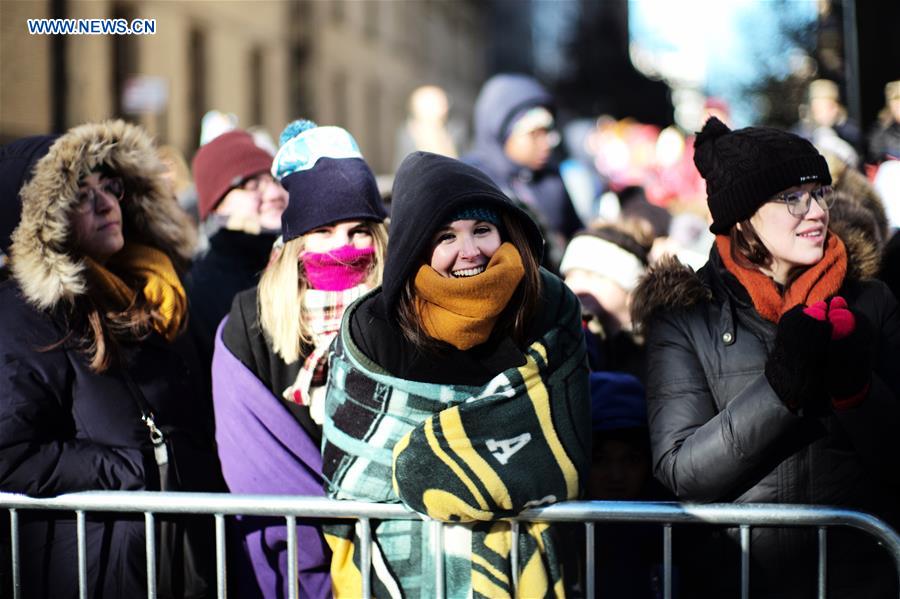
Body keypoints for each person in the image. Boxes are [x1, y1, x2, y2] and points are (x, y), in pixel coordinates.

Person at [632, 117, 900, 598]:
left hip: (861, 581)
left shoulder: (872, 301)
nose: (816, 211)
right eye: (792, 198)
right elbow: (681, 473)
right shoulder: (686, 314)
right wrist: (779, 391)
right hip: (738, 582)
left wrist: (857, 392)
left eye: (819, 193)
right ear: (741, 216)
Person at [321, 151, 591, 597]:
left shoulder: (548, 307)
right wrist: (480, 463)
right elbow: (352, 476)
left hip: (528, 562)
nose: (470, 252)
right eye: (446, 237)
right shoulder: (373, 328)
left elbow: (563, 451)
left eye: (482, 230)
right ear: (415, 245)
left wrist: (430, 466)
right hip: (401, 565)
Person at [0, 120, 224, 598]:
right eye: (81, 195)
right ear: (42, 224)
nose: (106, 205)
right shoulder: (21, 317)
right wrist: (135, 467)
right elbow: (10, 454)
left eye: (110, 186)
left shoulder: (155, 293)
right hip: (95, 570)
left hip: (182, 559)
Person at [211, 120, 387, 599]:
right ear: (296, 241)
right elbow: (257, 467)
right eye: (323, 231)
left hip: (395, 559)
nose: (343, 247)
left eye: (358, 230)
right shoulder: (250, 323)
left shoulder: (405, 312)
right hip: (296, 565)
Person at [186, 129, 288, 364]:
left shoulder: (302, 261)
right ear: (218, 204)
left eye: (275, 180)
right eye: (252, 185)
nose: (274, 193)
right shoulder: (199, 289)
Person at [464, 73, 584, 267]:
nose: (546, 143)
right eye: (534, 133)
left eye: (548, 132)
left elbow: (575, 233)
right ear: (501, 132)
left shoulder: (551, 178)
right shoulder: (472, 180)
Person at [868, 80, 900, 164]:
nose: (896, 105)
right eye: (892, 100)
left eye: (898, 99)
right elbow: (874, 154)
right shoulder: (883, 127)